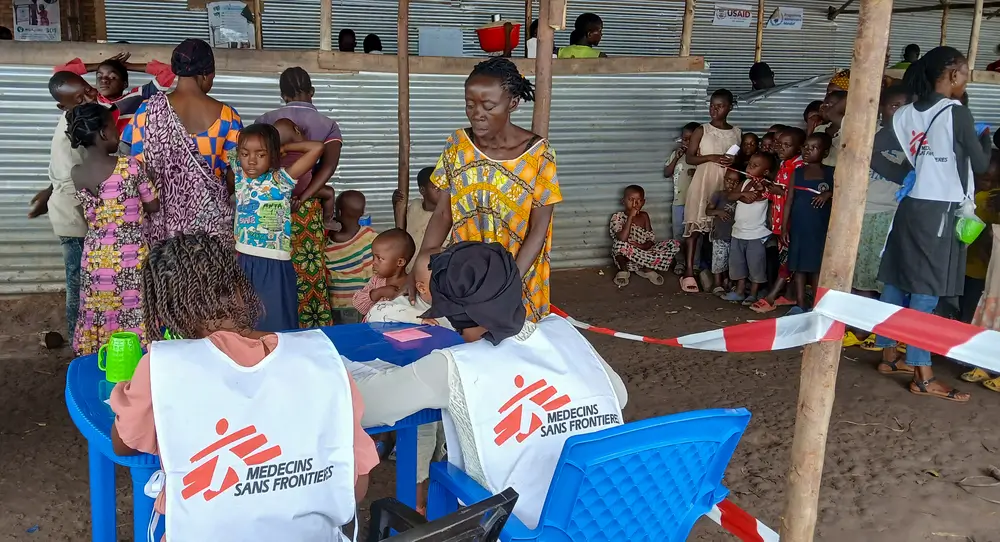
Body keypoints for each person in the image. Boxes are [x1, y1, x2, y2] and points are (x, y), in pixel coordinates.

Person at [110, 233, 377, 541]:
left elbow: (124, 443)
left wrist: (127, 391)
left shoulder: (162, 368)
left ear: (165, 308)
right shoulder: (320, 358)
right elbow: (355, 485)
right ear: (240, 287)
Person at [357, 241, 627, 529]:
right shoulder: (564, 333)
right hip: (607, 514)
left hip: (523, 528)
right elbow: (617, 396)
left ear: (452, 312)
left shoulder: (453, 366)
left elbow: (365, 405)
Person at [874, 46, 992, 402]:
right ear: (953, 73)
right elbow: (982, 164)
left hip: (911, 205)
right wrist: (984, 136)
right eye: (966, 73)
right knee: (926, 290)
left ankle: (889, 356)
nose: (966, 80)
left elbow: (877, 152)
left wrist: (911, 173)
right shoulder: (956, 111)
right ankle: (922, 374)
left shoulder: (904, 113)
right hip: (940, 209)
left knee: (897, 279)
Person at [411, 57, 561, 322]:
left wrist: (505, 284)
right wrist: (420, 270)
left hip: (518, 273)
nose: (477, 113)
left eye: (489, 106)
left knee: (515, 349)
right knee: (468, 344)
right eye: (470, 105)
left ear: (513, 103)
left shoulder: (539, 154)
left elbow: (539, 229)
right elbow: (443, 214)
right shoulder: (458, 145)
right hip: (466, 275)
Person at [123, 38, 242, 246]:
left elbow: (133, 166)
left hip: (161, 230)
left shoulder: (147, 111)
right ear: (206, 73)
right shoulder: (227, 117)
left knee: (167, 278)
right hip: (210, 228)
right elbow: (235, 174)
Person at [66, 103, 159, 355]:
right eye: (114, 128)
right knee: (133, 309)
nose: (119, 133)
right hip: (130, 256)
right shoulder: (129, 166)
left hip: (95, 256)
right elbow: (153, 205)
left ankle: (100, 359)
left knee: (99, 309)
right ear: (104, 133)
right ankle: (134, 363)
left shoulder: (77, 173)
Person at [256, 67, 345, 328]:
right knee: (309, 269)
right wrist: (306, 195)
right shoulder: (327, 125)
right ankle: (312, 328)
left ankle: (273, 328)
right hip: (306, 210)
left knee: (271, 269)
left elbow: (254, 161)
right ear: (312, 91)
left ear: (282, 95)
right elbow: (328, 168)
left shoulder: (265, 120)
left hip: (269, 205)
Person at [231, 123, 324, 332]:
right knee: (246, 319)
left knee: (276, 321)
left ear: (272, 155)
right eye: (245, 154)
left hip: (274, 261)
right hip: (244, 259)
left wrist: (286, 147)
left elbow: (317, 148)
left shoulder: (281, 179)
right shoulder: (239, 172)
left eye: (261, 154)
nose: (251, 160)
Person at [30, 72, 98, 341]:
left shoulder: (74, 120)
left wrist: (47, 194)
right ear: (63, 105)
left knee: (81, 278)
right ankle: (75, 338)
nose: (88, 96)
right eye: (79, 98)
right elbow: (74, 177)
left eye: (88, 89)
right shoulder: (75, 129)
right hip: (73, 217)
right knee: (78, 281)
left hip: (69, 211)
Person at [680, 88, 741, 292]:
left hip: (725, 183)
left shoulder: (736, 132)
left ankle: (718, 275)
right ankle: (689, 271)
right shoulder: (702, 130)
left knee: (720, 230)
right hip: (704, 180)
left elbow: (740, 159)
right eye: (712, 105)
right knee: (695, 227)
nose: (714, 109)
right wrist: (711, 157)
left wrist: (734, 159)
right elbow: (689, 158)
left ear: (730, 107)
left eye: (720, 106)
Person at [750, 128, 805, 313]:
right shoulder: (784, 164)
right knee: (785, 258)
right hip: (780, 220)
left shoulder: (799, 166)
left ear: (799, 148)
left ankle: (771, 298)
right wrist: (765, 189)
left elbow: (798, 195)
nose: (781, 148)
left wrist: (777, 191)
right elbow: (778, 194)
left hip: (791, 221)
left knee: (787, 260)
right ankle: (789, 296)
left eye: (787, 145)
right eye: (779, 144)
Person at [53, 52, 176, 135]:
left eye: (112, 77)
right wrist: (102, 64)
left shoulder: (138, 97)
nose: (104, 80)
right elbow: (60, 73)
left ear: (124, 84)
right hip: (103, 161)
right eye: (99, 76)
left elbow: (169, 71)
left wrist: (128, 66)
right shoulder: (90, 99)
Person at [784, 133, 834, 314]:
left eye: (813, 148)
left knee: (816, 267)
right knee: (798, 266)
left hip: (819, 228)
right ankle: (800, 303)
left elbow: (843, 194)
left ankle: (816, 304)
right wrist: (784, 228)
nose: (807, 151)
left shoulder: (831, 173)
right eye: (805, 147)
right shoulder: (797, 173)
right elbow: (789, 201)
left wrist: (828, 194)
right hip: (799, 226)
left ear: (825, 152)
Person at [722, 153, 775, 304]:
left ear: (765, 172)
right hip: (738, 232)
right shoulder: (744, 183)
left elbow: (751, 198)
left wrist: (744, 194)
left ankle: (753, 294)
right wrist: (743, 192)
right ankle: (739, 292)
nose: (749, 168)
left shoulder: (765, 186)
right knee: (739, 265)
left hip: (755, 235)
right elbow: (731, 196)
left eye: (754, 166)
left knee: (755, 265)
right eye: (749, 164)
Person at [609, 185, 681, 287]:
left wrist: (641, 246)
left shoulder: (644, 216)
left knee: (674, 244)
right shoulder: (617, 217)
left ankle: (646, 269)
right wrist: (630, 217)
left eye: (638, 201)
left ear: (643, 202)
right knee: (619, 245)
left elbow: (650, 239)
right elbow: (622, 238)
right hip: (627, 255)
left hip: (644, 253)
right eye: (631, 200)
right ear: (623, 201)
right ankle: (624, 271)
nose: (635, 204)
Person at [272, 118, 336, 227]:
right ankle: (328, 221)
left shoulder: (276, 154)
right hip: (303, 188)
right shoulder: (305, 148)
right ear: (297, 130)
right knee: (329, 193)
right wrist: (286, 147)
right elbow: (319, 146)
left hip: (282, 189)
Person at [326, 190, 378, 321]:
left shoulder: (326, 241)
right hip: (363, 301)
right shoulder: (370, 236)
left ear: (339, 212)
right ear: (362, 213)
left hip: (335, 302)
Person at [352, 228, 416, 317]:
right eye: (373, 257)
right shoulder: (376, 281)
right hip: (373, 329)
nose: (373, 262)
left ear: (400, 262)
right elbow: (358, 304)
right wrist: (378, 293)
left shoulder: (411, 285)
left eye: (380, 258)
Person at [393, 166, 444, 272]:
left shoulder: (447, 214)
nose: (442, 192)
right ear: (422, 190)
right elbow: (401, 226)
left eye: (444, 187)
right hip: (410, 267)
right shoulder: (415, 206)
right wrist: (396, 204)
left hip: (433, 270)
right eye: (436, 188)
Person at [665, 122, 700, 250]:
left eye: (690, 140)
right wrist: (676, 158)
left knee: (694, 234)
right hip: (678, 202)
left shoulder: (700, 158)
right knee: (678, 233)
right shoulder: (677, 154)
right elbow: (666, 173)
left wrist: (696, 173)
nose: (685, 142)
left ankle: (695, 263)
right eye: (684, 139)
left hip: (695, 203)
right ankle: (680, 261)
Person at [707, 169, 740, 296]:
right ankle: (717, 284)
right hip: (720, 235)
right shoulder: (718, 195)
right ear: (724, 180)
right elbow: (708, 211)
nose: (731, 184)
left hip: (735, 235)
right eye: (728, 180)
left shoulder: (740, 198)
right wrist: (718, 212)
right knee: (718, 261)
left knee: (732, 261)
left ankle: (730, 283)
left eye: (735, 182)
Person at [815, 90, 846, 167]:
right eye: (824, 103)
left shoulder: (849, 129)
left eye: (830, 104)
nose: (823, 107)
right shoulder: (819, 129)